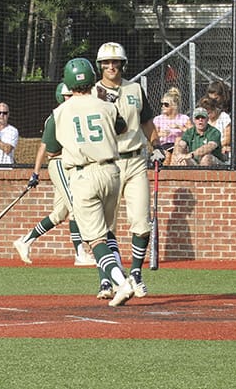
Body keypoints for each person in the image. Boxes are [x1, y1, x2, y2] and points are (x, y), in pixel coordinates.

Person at [45, 57, 136, 307]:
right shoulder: (105, 104)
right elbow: (121, 126)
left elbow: (52, 150)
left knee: (94, 240)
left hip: (84, 175)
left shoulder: (60, 112)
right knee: (107, 234)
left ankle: (121, 281)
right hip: (111, 172)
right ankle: (117, 280)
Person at [93, 42, 157, 300]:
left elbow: (147, 122)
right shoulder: (92, 92)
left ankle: (136, 274)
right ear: (100, 66)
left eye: (116, 62)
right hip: (108, 162)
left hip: (136, 160)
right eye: (107, 63)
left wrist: (159, 145)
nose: (111, 66)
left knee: (142, 221)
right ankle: (106, 279)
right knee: (106, 225)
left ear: (122, 64)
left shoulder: (135, 89)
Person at [13, 82, 95, 267]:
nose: (71, 98)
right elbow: (45, 148)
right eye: (67, 96)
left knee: (59, 214)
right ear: (61, 97)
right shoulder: (56, 117)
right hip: (59, 162)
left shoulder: (74, 114)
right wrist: (35, 172)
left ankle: (25, 241)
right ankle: (80, 253)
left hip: (70, 163)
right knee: (75, 206)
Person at [152, 87, 192, 164]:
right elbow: (153, 135)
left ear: (174, 106)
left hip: (180, 146)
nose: (163, 106)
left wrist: (181, 128)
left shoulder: (183, 118)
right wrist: (162, 134)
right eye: (162, 104)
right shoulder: (158, 119)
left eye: (166, 104)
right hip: (164, 145)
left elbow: (193, 134)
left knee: (178, 141)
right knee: (166, 155)